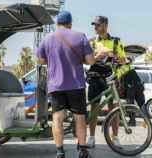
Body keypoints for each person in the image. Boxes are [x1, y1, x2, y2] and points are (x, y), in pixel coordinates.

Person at [37, 11, 105, 158]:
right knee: (80, 118)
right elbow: (91, 61)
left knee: (57, 118)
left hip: (56, 86)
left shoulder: (47, 39)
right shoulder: (80, 36)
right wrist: (81, 59)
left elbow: (41, 60)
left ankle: (60, 151)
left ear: (57, 23)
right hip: (76, 85)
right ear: (70, 23)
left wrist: (54, 59)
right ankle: (81, 149)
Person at [87, 16, 146, 147]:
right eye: (94, 26)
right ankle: (91, 137)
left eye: (98, 25)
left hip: (111, 77)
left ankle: (115, 137)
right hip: (95, 76)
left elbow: (124, 61)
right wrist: (98, 55)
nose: (95, 28)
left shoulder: (116, 41)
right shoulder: (91, 42)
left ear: (105, 25)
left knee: (113, 109)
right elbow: (87, 59)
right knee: (94, 108)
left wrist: (114, 56)